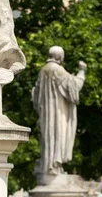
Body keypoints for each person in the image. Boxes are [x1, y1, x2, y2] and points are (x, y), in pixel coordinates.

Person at [32, 46, 87, 183]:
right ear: (59, 57)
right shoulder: (57, 70)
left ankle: (50, 166)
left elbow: (35, 95)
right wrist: (82, 72)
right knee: (58, 137)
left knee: (49, 139)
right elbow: (74, 86)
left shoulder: (42, 71)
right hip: (58, 114)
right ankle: (54, 167)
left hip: (46, 115)